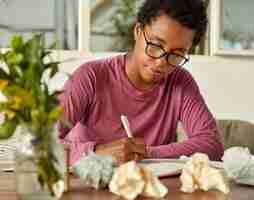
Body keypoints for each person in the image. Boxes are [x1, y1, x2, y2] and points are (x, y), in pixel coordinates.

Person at [59, 0, 224, 166]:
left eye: (177, 54)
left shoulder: (180, 82)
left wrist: (146, 153)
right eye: (155, 45)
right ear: (138, 31)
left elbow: (212, 145)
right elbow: (41, 145)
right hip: (86, 187)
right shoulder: (90, 77)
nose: (161, 62)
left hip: (147, 188)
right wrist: (97, 153)